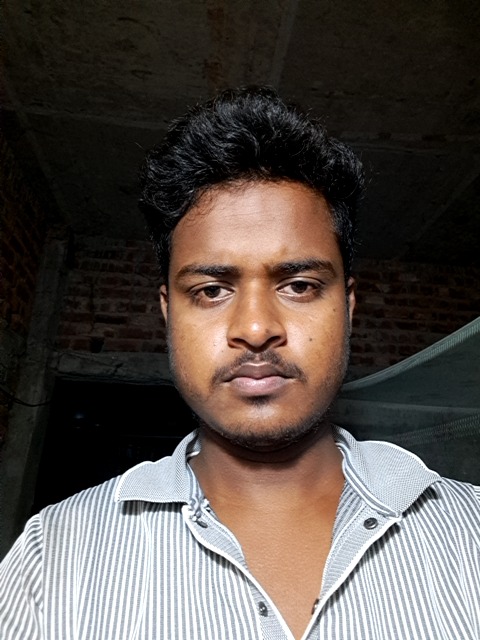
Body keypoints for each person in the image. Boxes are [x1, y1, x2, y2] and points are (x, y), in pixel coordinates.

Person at [1, 87, 479, 640]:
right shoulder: (53, 558)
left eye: (299, 285)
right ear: (168, 312)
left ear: (347, 307)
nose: (255, 329)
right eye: (211, 290)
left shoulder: (469, 531)